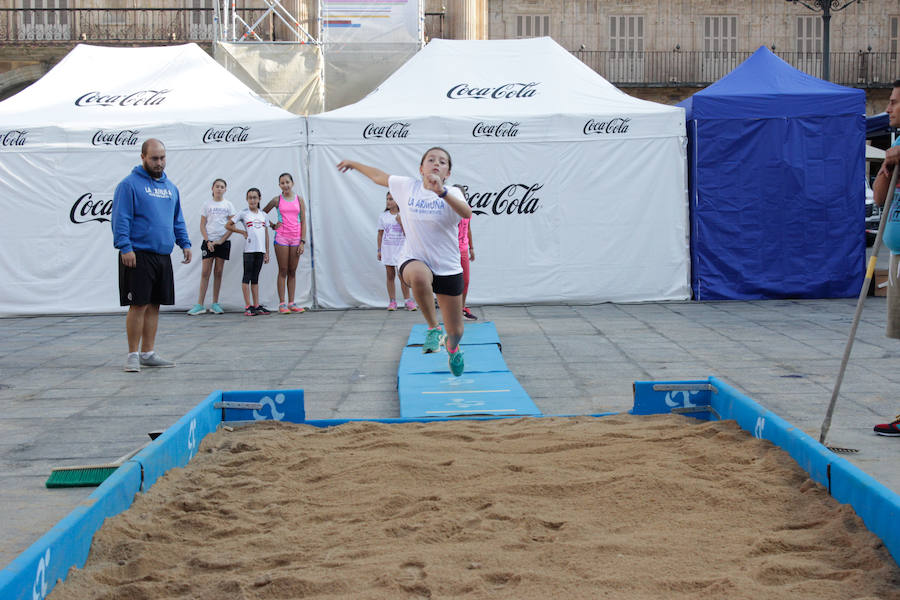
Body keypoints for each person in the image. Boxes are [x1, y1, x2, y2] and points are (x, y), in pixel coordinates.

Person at [338, 147, 473, 376]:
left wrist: (441, 192)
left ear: (448, 172)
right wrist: (354, 163)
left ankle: (452, 347)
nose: (436, 164)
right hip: (415, 258)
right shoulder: (407, 186)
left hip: (448, 267)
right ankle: (432, 328)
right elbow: (379, 176)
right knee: (419, 276)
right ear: (421, 168)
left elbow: (466, 213)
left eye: (442, 162)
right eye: (431, 160)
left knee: (456, 330)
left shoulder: (452, 193)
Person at [112, 138, 191, 373]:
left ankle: (148, 352)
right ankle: (132, 355)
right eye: (154, 158)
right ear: (143, 157)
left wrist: (184, 242)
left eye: (162, 158)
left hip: (161, 255)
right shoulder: (129, 185)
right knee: (138, 304)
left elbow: (177, 218)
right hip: (138, 254)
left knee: (155, 305)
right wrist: (125, 247)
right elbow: (121, 218)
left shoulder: (170, 188)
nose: (159, 162)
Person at [871, 79, 900, 437]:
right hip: (896, 255)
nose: (888, 108)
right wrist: (887, 165)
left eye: (894, 102)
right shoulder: (894, 144)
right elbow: (880, 198)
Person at [187, 178, 234, 315]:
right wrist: (208, 241)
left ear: (225, 189)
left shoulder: (228, 205)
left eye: (222, 187)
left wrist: (221, 241)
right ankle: (200, 304)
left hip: (222, 242)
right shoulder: (206, 204)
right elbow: (202, 225)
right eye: (217, 186)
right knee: (205, 273)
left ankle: (215, 303)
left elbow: (232, 226)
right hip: (209, 242)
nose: (219, 189)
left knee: (218, 272)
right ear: (212, 188)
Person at [262, 173, 306, 314]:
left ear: (292, 183)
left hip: (296, 238)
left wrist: (302, 241)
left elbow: (303, 221)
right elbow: (262, 214)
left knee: (292, 271)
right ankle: (282, 304)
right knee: (283, 270)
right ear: (279, 185)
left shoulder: (299, 199)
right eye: (282, 183)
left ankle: (292, 302)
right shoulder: (277, 200)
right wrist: (273, 225)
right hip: (281, 238)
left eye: (287, 182)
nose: (285, 185)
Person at [227, 187, 271, 316]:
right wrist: (242, 232)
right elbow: (228, 225)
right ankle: (248, 306)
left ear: (259, 199)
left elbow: (266, 234)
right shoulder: (243, 213)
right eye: (250, 197)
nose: (252, 200)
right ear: (247, 199)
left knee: (255, 278)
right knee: (247, 277)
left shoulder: (264, 215)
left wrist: (267, 252)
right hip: (249, 250)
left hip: (260, 250)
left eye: (255, 197)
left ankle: (256, 305)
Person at [378, 191, 416, 311]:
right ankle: (392, 301)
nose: (388, 202)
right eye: (387, 199)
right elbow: (380, 234)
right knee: (390, 275)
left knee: (402, 276)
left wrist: (401, 222)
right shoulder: (383, 216)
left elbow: (408, 234)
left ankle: (407, 301)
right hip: (388, 250)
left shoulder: (403, 215)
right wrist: (379, 250)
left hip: (401, 251)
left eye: (391, 199)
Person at [456, 190, 477, 320]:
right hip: (451, 249)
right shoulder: (450, 210)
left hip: (463, 248)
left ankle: (461, 309)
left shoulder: (467, 210)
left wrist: (471, 248)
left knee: (466, 280)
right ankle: (454, 310)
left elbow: (468, 228)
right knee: (452, 280)